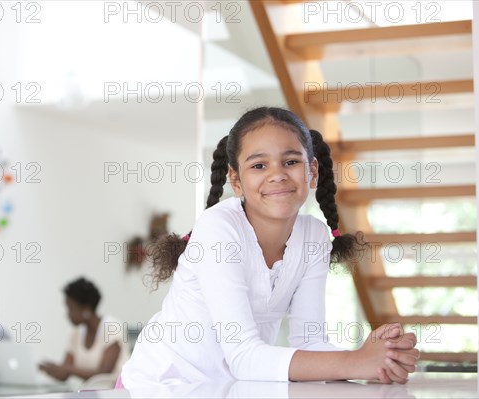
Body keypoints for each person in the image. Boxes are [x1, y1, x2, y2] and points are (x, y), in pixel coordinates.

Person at [119, 107, 420, 389]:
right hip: (159, 387)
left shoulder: (313, 236)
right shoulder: (218, 229)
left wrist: (380, 359)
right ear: (235, 180)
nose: (277, 174)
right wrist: (357, 363)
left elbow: (310, 341)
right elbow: (244, 358)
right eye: (259, 165)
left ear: (312, 172)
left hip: (227, 391)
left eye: (291, 162)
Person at [39, 277, 128, 382]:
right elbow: (64, 374)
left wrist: (67, 369)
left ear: (86, 309)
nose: (67, 314)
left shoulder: (112, 327)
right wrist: (48, 368)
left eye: (70, 308)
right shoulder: (76, 334)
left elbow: (104, 372)